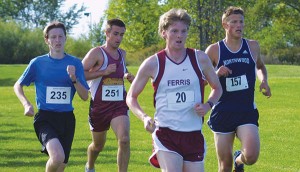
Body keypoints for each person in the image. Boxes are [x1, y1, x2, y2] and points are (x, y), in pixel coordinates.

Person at [126, 9, 222, 172]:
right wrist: (144, 117)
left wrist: (208, 105)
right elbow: (131, 97)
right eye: (174, 31)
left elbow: (217, 88)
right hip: (166, 133)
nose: (180, 36)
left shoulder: (200, 58)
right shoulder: (153, 63)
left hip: (193, 134)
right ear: (164, 33)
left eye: (183, 31)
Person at [13, 21, 89, 172]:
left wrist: (74, 78)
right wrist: (26, 104)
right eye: (53, 37)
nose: (57, 40)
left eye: (61, 36)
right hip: (45, 118)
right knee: (57, 157)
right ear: (46, 40)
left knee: (61, 166)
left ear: (65, 38)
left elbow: (85, 96)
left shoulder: (75, 63)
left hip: (67, 119)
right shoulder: (38, 63)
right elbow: (18, 85)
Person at [205, 6, 272, 172]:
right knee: (224, 166)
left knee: (251, 156)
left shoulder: (252, 46)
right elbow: (200, 78)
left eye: (241, 22)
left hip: (246, 110)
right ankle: (232, 162)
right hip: (222, 111)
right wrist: (216, 73)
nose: (238, 25)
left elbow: (260, 67)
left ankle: (239, 159)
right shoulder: (214, 50)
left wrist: (263, 81)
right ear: (225, 25)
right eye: (234, 22)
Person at [82, 18, 134, 172]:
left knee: (124, 140)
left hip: (119, 104)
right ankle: (90, 166)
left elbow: (121, 72)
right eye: (116, 34)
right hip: (99, 107)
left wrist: (129, 76)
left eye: (122, 35)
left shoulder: (122, 54)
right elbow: (80, 74)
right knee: (98, 146)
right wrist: (103, 72)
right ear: (107, 33)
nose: (119, 38)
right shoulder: (97, 53)